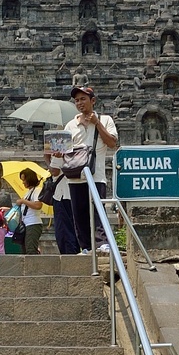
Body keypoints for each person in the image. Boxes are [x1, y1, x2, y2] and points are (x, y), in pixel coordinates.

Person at [63, 85, 119, 254]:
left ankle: (102, 243)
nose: (80, 103)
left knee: (98, 210)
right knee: (79, 214)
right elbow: (64, 153)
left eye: (83, 99)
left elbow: (112, 143)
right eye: (77, 100)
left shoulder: (106, 120)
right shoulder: (70, 125)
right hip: (75, 176)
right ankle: (86, 246)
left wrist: (97, 123)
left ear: (93, 101)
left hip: (96, 175)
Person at [45, 156, 78, 254]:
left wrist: (47, 158)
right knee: (73, 228)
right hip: (74, 194)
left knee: (64, 230)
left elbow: (54, 171)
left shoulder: (59, 153)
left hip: (62, 196)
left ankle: (69, 254)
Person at [11, 168, 46, 255]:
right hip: (25, 224)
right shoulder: (28, 192)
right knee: (25, 250)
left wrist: (23, 201)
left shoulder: (37, 190)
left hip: (33, 223)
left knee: (31, 250)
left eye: (24, 180)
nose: (23, 183)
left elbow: (38, 205)